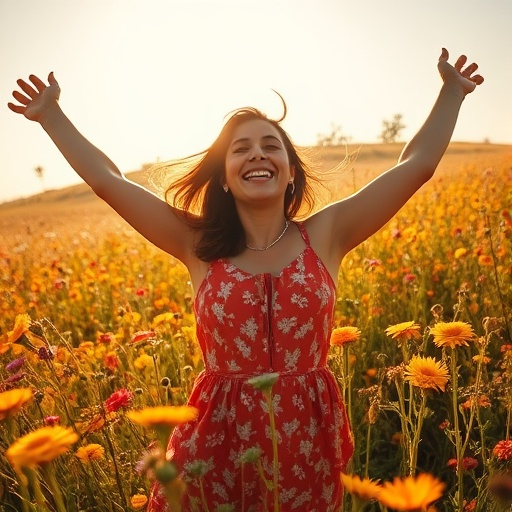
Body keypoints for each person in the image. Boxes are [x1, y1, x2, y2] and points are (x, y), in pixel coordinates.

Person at [8, 48, 483, 511]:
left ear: (291, 173)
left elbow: (415, 166)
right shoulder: (195, 243)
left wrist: (451, 93)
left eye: (270, 145)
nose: (258, 154)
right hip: (215, 436)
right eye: (241, 149)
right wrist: (51, 115)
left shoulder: (327, 234)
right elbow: (110, 182)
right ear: (226, 178)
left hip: (307, 440)